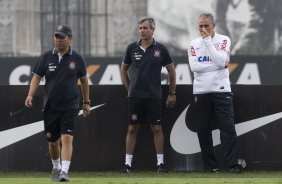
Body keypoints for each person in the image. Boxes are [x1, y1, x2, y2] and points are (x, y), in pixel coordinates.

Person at [25, 24, 90, 182]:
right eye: (56, 37)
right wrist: (30, 95)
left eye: (62, 37)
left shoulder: (77, 58)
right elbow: (36, 77)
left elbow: (84, 80)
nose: (58, 40)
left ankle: (64, 172)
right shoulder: (46, 57)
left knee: (67, 138)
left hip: (70, 105)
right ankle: (56, 167)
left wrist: (86, 102)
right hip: (50, 106)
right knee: (53, 142)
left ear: (70, 38)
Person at [188, 13, 245, 173]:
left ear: (214, 25)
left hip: (222, 91)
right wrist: (218, 64)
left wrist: (208, 43)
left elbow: (221, 61)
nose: (203, 29)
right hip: (201, 92)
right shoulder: (193, 43)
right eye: (200, 26)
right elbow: (195, 67)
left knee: (227, 128)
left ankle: (233, 165)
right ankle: (210, 167)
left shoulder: (224, 39)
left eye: (206, 26)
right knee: (203, 130)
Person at [120, 17, 176, 173]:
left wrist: (172, 93)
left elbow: (171, 71)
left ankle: (160, 164)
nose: (142, 31)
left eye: (145, 28)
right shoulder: (131, 48)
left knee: (156, 128)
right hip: (135, 97)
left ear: (153, 30)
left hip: (154, 96)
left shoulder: (161, 49)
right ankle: (127, 165)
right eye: (140, 28)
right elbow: (123, 69)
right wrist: (129, 88)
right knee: (132, 129)